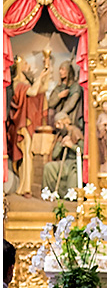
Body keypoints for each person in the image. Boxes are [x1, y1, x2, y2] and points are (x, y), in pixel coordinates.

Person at [7, 55, 51, 197]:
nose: (28, 66)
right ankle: (23, 187)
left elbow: (42, 88)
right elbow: (32, 91)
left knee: (28, 155)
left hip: (25, 124)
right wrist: (40, 77)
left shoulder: (24, 82)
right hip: (20, 125)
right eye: (25, 63)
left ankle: (25, 187)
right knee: (26, 154)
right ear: (19, 66)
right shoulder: (17, 83)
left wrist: (46, 70)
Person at [41, 113, 83, 194]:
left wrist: (72, 146)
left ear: (66, 122)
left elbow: (83, 151)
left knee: (73, 176)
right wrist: (61, 144)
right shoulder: (61, 134)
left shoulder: (75, 132)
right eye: (56, 124)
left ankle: (68, 195)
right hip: (65, 164)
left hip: (74, 164)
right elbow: (54, 155)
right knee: (48, 167)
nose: (57, 126)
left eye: (59, 123)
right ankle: (49, 193)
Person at [47, 61, 83, 132]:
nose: (60, 71)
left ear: (68, 71)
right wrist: (59, 96)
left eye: (63, 69)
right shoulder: (59, 87)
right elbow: (50, 104)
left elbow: (71, 104)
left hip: (70, 116)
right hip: (59, 118)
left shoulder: (75, 87)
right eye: (59, 69)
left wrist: (60, 115)